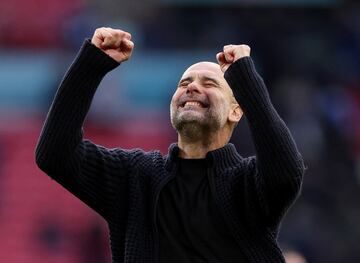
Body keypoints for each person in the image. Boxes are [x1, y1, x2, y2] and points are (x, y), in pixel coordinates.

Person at [35, 27, 305, 263]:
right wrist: (91, 65)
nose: (191, 88)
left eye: (209, 83)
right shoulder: (135, 177)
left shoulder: (248, 184)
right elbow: (55, 154)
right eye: (184, 83)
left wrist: (246, 80)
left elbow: (286, 172)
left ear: (236, 111)